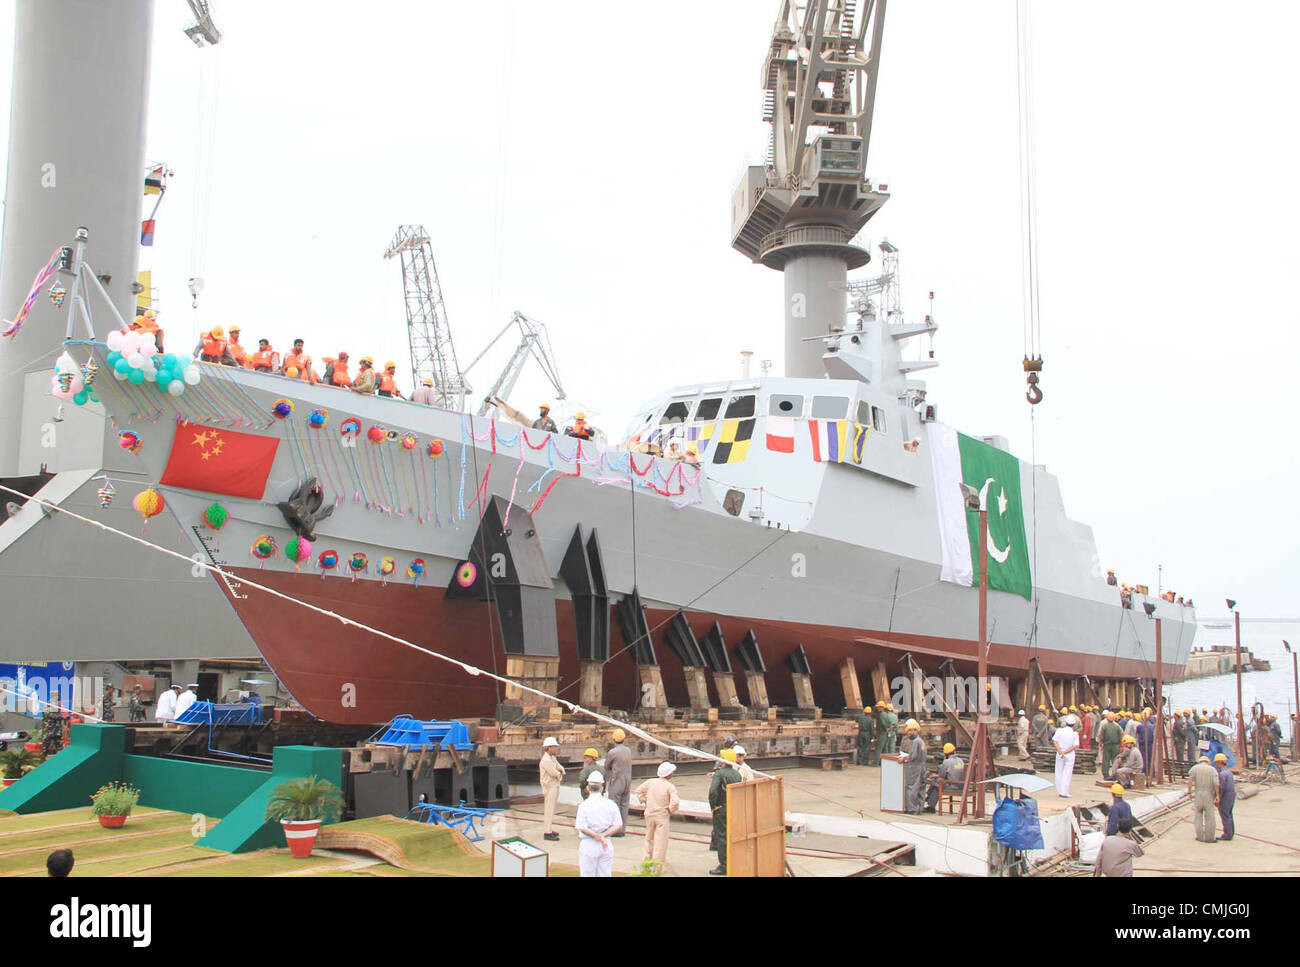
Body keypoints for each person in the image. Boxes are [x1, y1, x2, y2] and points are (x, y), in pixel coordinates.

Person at [574, 771, 622, 877]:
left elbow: (581, 826)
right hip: (606, 843)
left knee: (587, 874)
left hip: (589, 843)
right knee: (605, 873)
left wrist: (596, 836)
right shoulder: (611, 804)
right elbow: (618, 825)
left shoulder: (584, 805)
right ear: (602, 788)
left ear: (588, 788)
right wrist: (603, 836)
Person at [634, 762, 680, 866]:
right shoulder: (670, 786)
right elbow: (675, 802)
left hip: (649, 814)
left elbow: (638, 791)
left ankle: (646, 861)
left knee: (649, 838)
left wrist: (645, 800)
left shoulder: (651, 782)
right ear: (668, 774)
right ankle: (657, 864)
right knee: (660, 841)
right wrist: (670, 810)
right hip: (662, 815)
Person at [708, 748, 742, 875]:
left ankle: (724, 866)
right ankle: (734, 861)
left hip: (721, 809)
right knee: (732, 836)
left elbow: (713, 792)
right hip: (733, 808)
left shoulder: (719, 773)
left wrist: (714, 806)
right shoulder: (737, 774)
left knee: (721, 837)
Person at [604, 729, 633, 835]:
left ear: (614, 739)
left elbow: (607, 766)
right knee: (624, 805)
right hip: (627, 781)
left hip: (617, 781)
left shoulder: (613, 752)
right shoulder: (628, 750)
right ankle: (622, 829)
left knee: (614, 805)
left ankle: (615, 829)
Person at [538, 736, 565, 841]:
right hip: (549, 787)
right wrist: (560, 774)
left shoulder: (552, 758)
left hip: (554, 785)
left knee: (551, 809)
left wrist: (561, 770)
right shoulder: (546, 760)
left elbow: (558, 766)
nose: (557, 749)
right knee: (549, 809)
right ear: (549, 748)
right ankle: (547, 832)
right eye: (555, 747)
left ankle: (549, 828)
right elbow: (554, 773)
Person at [1188, 756, 1219, 843]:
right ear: (1208, 762)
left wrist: (1189, 793)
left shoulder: (1194, 768)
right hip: (1209, 794)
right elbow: (1216, 783)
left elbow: (1190, 781)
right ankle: (1210, 838)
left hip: (1198, 794)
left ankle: (1200, 836)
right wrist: (1218, 796)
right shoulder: (1212, 769)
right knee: (1210, 816)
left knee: (1198, 814)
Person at [927, 742, 964, 811]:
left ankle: (930, 805)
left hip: (952, 786)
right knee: (937, 782)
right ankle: (929, 798)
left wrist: (934, 776)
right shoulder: (961, 760)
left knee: (936, 783)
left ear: (945, 754)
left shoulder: (947, 762)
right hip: (961, 785)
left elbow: (942, 776)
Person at [900, 719, 927, 814]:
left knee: (911, 787)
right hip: (922, 767)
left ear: (915, 730)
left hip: (915, 767)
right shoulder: (921, 741)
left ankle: (912, 809)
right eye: (908, 731)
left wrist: (904, 759)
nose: (909, 733)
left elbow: (913, 756)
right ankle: (920, 808)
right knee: (921, 787)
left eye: (910, 731)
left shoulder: (915, 742)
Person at [1053, 713, 1080, 797]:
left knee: (1059, 771)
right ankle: (1064, 792)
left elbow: (1055, 741)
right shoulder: (1074, 734)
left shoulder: (1059, 730)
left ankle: (1060, 790)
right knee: (1067, 773)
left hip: (1059, 753)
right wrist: (1065, 752)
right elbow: (1075, 746)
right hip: (1069, 755)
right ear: (1074, 724)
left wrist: (1060, 752)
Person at [1214, 752, 1235, 841]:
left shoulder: (1222, 774)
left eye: (1216, 763)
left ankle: (1227, 835)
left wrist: (1218, 798)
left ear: (1219, 762)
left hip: (1226, 796)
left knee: (1225, 815)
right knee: (1229, 814)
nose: (1215, 764)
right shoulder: (1229, 772)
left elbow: (1222, 787)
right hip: (1231, 795)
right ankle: (1230, 833)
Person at [1098, 711, 1123, 777]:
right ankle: (1115, 774)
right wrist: (1121, 745)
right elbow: (1121, 736)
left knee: (1106, 760)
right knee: (1115, 760)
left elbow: (1101, 736)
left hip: (1107, 745)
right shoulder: (1117, 726)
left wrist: (1101, 744)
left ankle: (1106, 775)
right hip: (1115, 746)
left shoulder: (1105, 726)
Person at [41, 691, 66, 758]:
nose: (59, 697)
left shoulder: (57, 705)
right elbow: (51, 715)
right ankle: (42, 759)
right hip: (49, 730)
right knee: (45, 746)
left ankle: (61, 760)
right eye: (58, 696)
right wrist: (63, 717)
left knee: (59, 746)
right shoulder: (49, 705)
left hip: (56, 730)